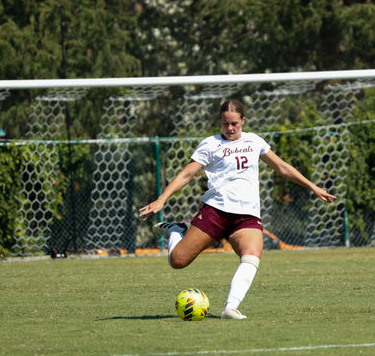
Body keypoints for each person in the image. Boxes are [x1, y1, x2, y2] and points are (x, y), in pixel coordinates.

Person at [138, 99, 336, 320]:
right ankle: (175, 230)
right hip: (216, 211)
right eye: (225, 124)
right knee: (178, 261)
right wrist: (162, 198)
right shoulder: (210, 144)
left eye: (234, 123)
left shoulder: (255, 141)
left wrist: (312, 186)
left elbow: (281, 167)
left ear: (243, 121)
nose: (230, 128)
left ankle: (230, 308)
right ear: (220, 122)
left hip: (247, 216)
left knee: (252, 256)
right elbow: (187, 174)